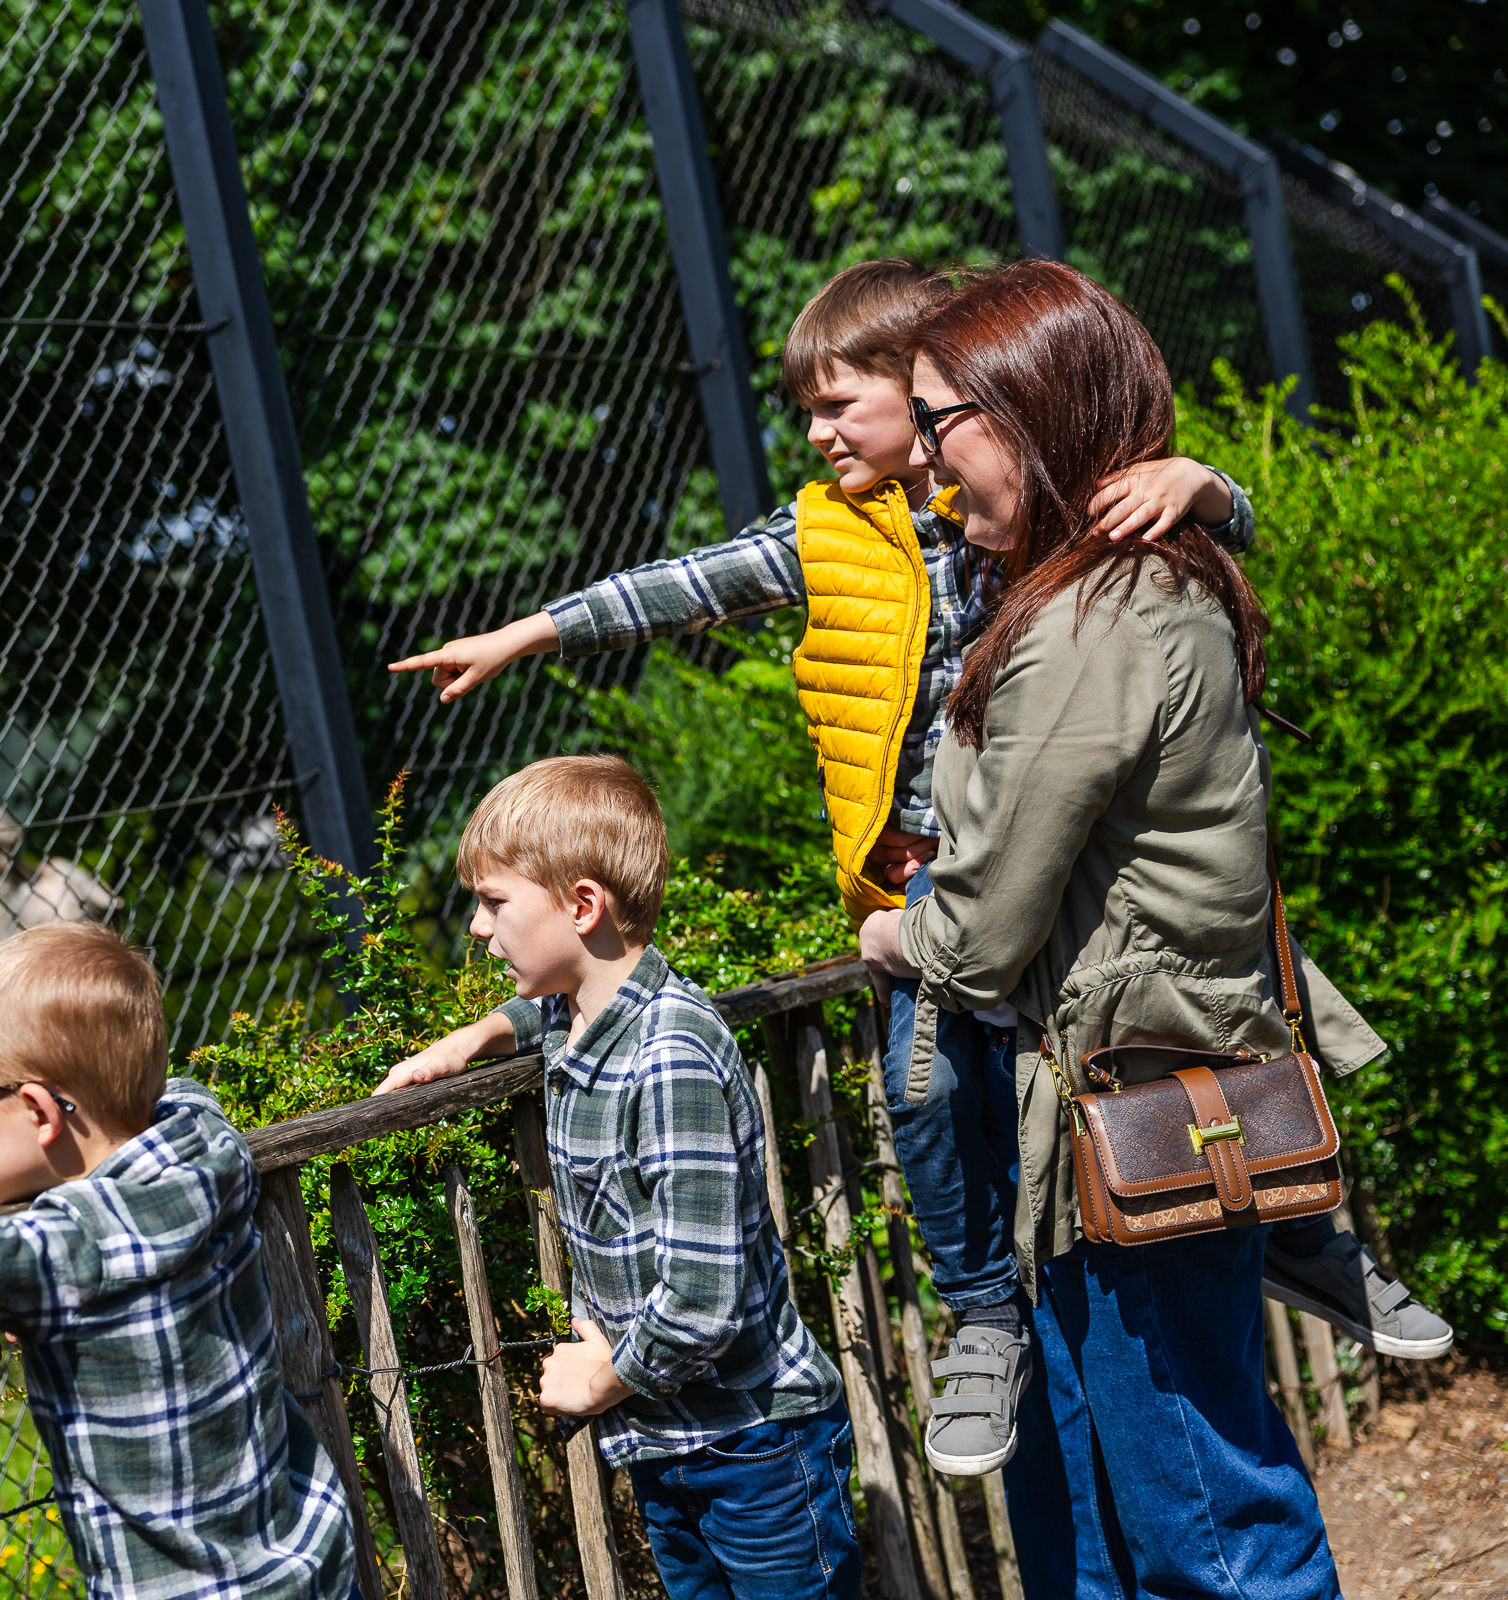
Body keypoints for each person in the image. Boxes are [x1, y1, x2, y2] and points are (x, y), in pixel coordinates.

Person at [384, 259, 1375, 1479]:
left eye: (842, 401)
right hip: (924, 889)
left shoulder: (1028, 511)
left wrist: (1209, 484)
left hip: (1049, 875)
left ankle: (1306, 1213)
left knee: (1198, 990)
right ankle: (982, 1315)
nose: (815, 429)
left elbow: (1187, 522)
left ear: (930, 400)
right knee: (928, 1098)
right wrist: (528, 632)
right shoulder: (828, 533)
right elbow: (677, 587)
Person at [854, 258, 1388, 1597]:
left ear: (1024, 412)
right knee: (1155, 1525)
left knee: (1210, 1530)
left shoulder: (1094, 619)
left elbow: (977, 938)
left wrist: (897, 940)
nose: (923, 463)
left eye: (937, 422)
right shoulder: (1121, 581)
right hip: (1125, 1101)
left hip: (1131, 1104)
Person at [379, 755, 858, 1600]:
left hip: (754, 1450)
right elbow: (548, 1009)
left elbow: (702, 1301)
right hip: (671, 1438)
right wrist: (474, 1037)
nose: (479, 929)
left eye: (495, 903)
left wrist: (600, 1381)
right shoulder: (582, 1018)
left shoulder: (668, 1057)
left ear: (584, 904)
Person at [0, 921, 360, 1600]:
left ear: (37, 1111)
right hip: (308, 1566)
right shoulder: (211, 1147)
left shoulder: (63, 1251)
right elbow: (185, 1090)